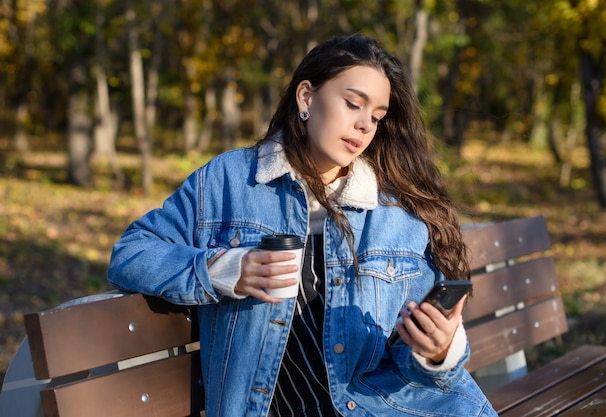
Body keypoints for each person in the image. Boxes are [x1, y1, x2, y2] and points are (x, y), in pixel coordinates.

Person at [107, 34, 497, 417]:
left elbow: (409, 358)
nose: (364, 125)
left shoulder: (396, 213)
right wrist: (225, 270)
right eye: (352, 104)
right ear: (306, 97)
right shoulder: (229, 181)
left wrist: (439, 352)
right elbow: (131, 254)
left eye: (376, 117)